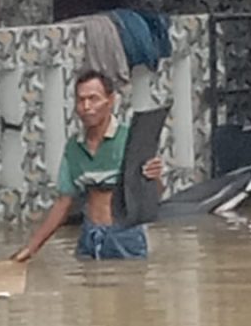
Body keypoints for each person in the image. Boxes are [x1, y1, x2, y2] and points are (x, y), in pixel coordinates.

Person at [11, 69, 163, 261]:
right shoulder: (74, 147)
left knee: (129, 287)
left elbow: (155, 194)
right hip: (89, 235)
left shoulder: (130, 140)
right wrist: (30, 249)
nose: (87, 106)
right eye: (81, 100)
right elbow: (63, 203)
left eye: (94, 99)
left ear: (111, 100)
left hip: (125, 236)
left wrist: (154, 175)